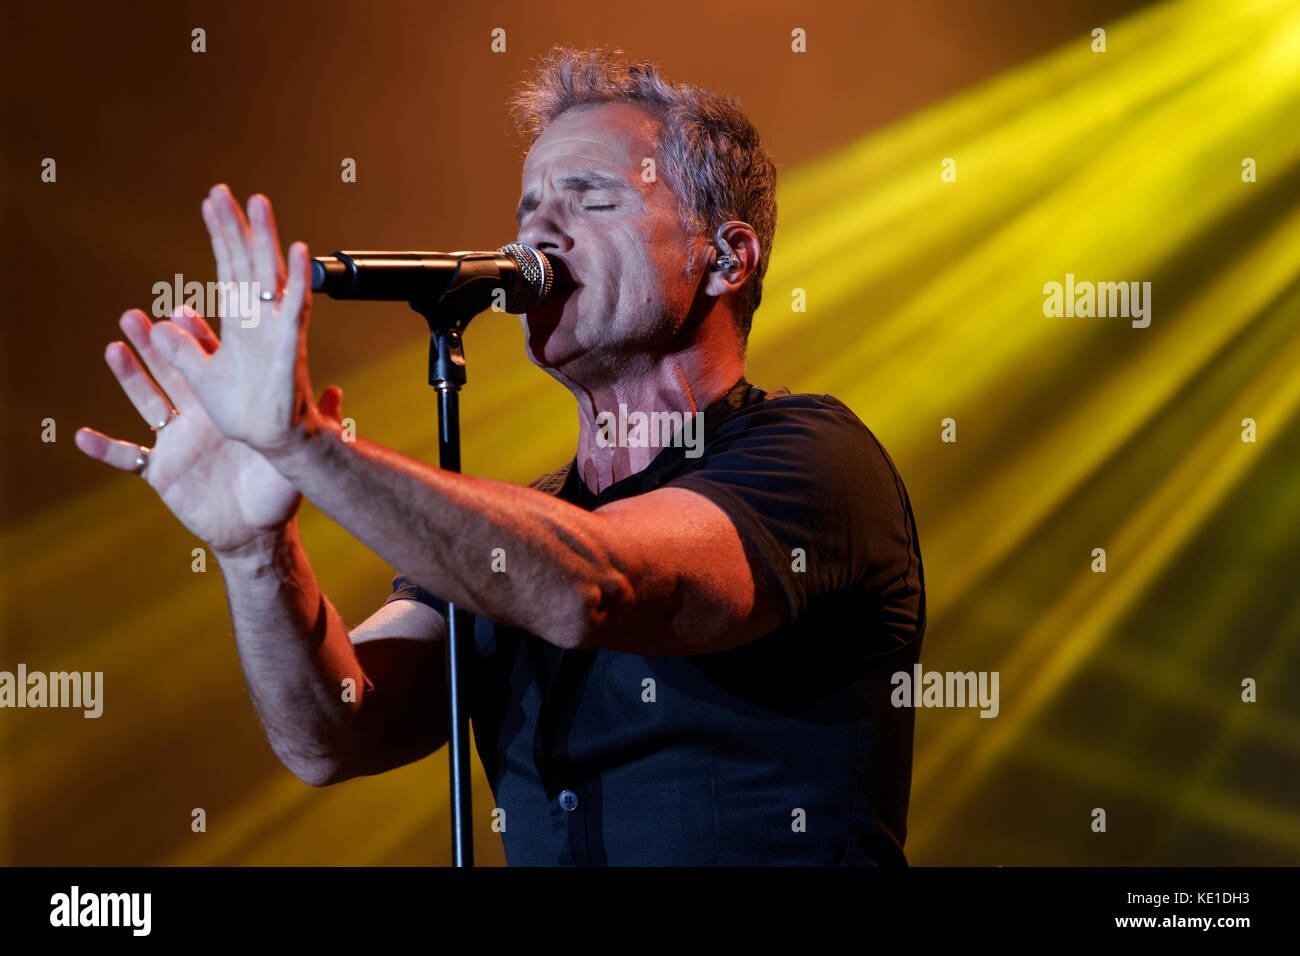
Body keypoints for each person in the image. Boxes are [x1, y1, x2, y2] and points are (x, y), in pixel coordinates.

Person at [74, 47, 925, 865]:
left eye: (589, 200)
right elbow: (334, 731)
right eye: (527, 209)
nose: (538, 230)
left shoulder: (816, 459)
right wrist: (254, 553)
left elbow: (598, 587)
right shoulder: (507, 538)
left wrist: (307, 446)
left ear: (725, 257)